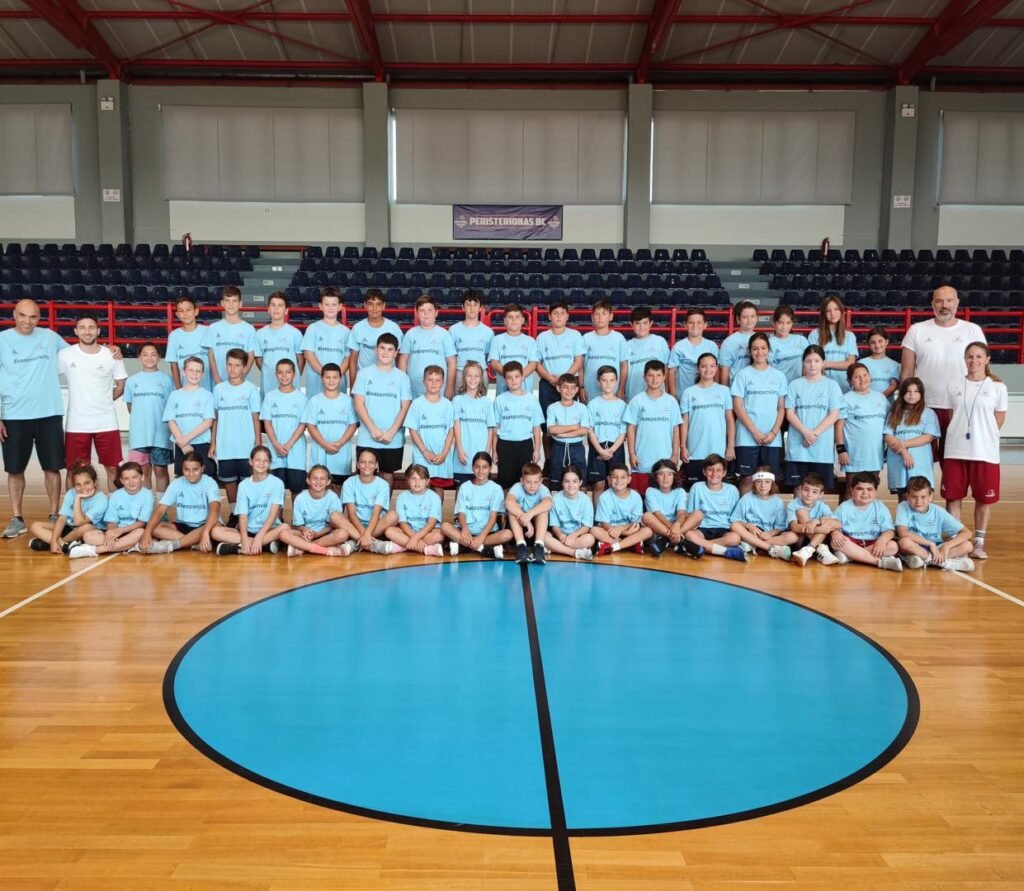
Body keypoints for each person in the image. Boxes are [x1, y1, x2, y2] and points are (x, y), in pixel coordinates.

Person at [0, 299, 71, 536]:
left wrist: (109, 349)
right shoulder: (2, 340)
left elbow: (79, 354)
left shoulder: (51, 337)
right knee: (14, 470)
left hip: (49, 413)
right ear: (14, 314)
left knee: (52, 468)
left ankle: (54, 515)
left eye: (33, 317)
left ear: (39, 318)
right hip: (13, 415)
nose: (27, 321)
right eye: (22, 315)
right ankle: (17, 518)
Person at [941, 341, 1008, 561]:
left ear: (987, 359)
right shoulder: (954, 385)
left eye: (979, 356)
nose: (974, 360)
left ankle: (979, 542)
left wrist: (983, 436)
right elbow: (952, 415)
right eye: (970, 356)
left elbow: (999, 418)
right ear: (965, 359)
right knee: (953, 498)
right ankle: (956, 541)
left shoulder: (997, 387)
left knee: (983, 499)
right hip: (955, 451)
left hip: (984, 452)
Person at [900, 285, 987, 450]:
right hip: (923, 405)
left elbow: (981, 370)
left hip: (961, 404)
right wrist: (904, 405)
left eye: (949, 301)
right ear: (932, 304)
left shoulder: (972, 331)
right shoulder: (916, 330)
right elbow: (906, 373)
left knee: (955, 456)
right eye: (939, 301)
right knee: (922, 455)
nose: (944, 305)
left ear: (957, 303)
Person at [58, 314, 128, 492]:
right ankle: (73, 507)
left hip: (106, 422)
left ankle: (116, 506)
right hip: (77, 424)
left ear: (98, 330)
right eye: (82, 327)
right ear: (76, 331)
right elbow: (45, 375)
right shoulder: (65, 355)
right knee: (74, 471)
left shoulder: (111, 354)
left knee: (113, 468)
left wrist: (104, 400)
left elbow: (121, 385)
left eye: (91, 327)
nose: (87, 331)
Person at [351, 332, 412, 489]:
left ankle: (383, 505)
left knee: (387, 475)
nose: (385, 352)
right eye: (382, 348)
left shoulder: (402, 377)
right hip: (367, 437)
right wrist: (373, 429)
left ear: (396, 353)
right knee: (364, 474)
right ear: (376, 350)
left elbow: (405, 407)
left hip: (392, 438)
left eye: (390, 349)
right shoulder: (363, 374)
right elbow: (358, 404)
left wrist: (391, 432)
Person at [730, 332, 787, 493]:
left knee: (769, 480)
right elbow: (738, 407)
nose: (759, 352)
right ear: (749, 351)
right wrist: (754, 432)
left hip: (772, 438)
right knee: (747, 479)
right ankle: (744, 510)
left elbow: (781, 408)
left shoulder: (779, 376)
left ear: (768, 350)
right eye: (755, 349)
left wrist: (774, 432)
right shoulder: (743, 375)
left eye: (763, 348)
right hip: (747, 437)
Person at [210, 347, 262, 518]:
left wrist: (258, 442)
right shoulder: (219, 389)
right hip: (225, 445)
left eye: (237, 365)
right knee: (229, 482)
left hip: (246, 445)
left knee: (248, 482)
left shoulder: (251, 389)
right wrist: (213, 442)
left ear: (244, 367)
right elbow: (216, 418)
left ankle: (247, 515)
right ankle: (234, 514)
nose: (232, 369)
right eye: (229, 365)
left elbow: (256, 419)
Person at [784, 345, 843, 491]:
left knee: (819, 490)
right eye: (808, 361)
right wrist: (806, 433)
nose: (812, 365)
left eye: (817, 361)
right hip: (798, 447)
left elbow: (834, 414)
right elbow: (790, 414)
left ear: (823, 363)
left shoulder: (832, 385)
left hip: (822, 449)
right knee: (799, 489)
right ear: (803, 363)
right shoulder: (794, 385)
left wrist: (813, 434)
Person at [211, 446, 289, 556]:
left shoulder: (277, 483)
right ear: (251, 461)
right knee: (216, 532)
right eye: (258, 460)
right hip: (248, 530)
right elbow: (243, 516)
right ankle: (263, 545)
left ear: (270, 463)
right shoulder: (243, 485)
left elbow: (273, 514)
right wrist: (244, 539)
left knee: (285, 528)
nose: (261, 463)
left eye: (265, 460)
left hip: (269, 529)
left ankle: (237, 548)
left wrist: (260, 536)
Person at [68, 462, 154, 558]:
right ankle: (127, 546)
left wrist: (120, 531)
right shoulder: (116, 495)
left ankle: (95, 550)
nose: (131, 481)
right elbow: (112, 522)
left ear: (142, 477)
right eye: (126, 478)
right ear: (121, 480)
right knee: (88, 536)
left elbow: (141, 523)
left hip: (133, 531)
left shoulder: (147, 495)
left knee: (141, 532)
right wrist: (112, 534)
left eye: (135, 477)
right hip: (117, 533)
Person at [141, 450, 221, 554]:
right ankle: (193, 542)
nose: (191, 473)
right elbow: (160, 510)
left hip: (204, 525)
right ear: (182, 469)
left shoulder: (210, 483)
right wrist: (147, 532)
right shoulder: (176, 483)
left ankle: (172, 546)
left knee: (215, 526)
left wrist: (205, 532)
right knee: (154, 528)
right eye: (186, 470)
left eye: (195, 469)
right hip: (183, 526)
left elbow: (215, 510)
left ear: (202, 468)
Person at [624, 359, 682, 495]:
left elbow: (676, 429)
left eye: (658, 375)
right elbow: (631, 429)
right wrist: (632, 454)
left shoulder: (671, 402)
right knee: (642, 496)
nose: (654, 379)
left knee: (663, 496)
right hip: (642, 458)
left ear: (664, 377)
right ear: (644, 377)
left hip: (665, 458)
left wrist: (675, 454)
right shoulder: (637, 401)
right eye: (650, 375)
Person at [123, 342, 174, 494]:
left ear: (159, 357)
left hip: (161, 434)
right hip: (139, 435)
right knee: (142, 471)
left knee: (160, 470)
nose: (149, 358)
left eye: (153, 354)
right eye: (145, 354)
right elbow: (130, 406)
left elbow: (171, 407)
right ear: (139, 357)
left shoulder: (167, 380)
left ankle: (161, 504)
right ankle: (146, 503)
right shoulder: (132, 381)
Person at [896, 475, 975, 572]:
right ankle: (945, 563)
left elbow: (967, 533)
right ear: (907, 497)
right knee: (904, 542)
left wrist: (947, 545)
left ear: (930, 497)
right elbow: (902, 533)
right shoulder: (903, 506)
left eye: (923, 497)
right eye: (914, 497)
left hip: (937, 546)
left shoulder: (938, 511)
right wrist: (930, 544)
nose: (918, 501)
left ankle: (927, 559)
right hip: (916, 545)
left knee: (968, 545)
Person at [441, 451, 511, 558]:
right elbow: (462, 513)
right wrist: (465, 530)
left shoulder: (496, 489)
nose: (481, 471)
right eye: (477, 467)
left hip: (487, 533)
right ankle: (482, 548)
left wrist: (481, 537)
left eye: (484, 467)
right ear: (472, 468)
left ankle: (464, 546)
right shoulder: (465, 487)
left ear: (490, 468)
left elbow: (493, 517)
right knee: (445, 526)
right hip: (466, 532)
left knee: (508, 534)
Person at [28, 461, 107, 554]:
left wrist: (78, 498)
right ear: (74, 485)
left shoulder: (102, 500)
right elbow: (62, 519)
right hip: (69, 528)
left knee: (86, 527)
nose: (83, 487)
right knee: (35, 526)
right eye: (78, 484)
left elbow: (79, 522)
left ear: (95, 482)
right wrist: (54, 541)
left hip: (88, 530)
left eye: (87, 483)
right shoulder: (71, 493)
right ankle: (64, 545)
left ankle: (52, 544)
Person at [680, 353, 734, 486]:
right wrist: (683, 446)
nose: (708, 369)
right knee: (694, 489)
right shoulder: (689, 392)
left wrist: (730, 446)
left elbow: (730, 420)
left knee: (717, 489)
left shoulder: (724, 391)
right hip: (695, 452)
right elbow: (684, 422)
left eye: (711, 366)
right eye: (704, 366)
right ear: (698, 368)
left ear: (716, 368)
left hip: (719, 451)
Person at [678, 453, 745, 562]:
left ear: (724, 473)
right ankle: (723, 551)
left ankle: (699, 547)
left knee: (735, 538)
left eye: (718, 470)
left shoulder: (732, 490)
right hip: (702, 528)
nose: (714, 473)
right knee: (689, 534)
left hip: (723, 528)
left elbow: (735, 517)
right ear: (704, 472)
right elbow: (691, 514)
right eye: (710, 470)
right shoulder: (697, 487)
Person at [830, 472, 902, 572]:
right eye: (859, 489)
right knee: (835, 543)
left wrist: (882, 540)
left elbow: (889, 531)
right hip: (852, 542)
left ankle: (851, 557)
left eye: (869, 489)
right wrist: (836, 533)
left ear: (875, 491)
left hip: (873, 543)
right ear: (852, 490)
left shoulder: (880, 507)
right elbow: (834, 525)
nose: (865, 493)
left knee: (893, 546)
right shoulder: (844, 507)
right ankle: (879, 562)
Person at [303, 363, 358, 493]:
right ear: (322, 378)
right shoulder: (314, 401)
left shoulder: (348, 401)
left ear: (341, 379)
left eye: (335, 377)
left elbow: (353, 425)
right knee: (319, 489)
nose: (331, 381)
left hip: (341, 455)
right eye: (327, 377)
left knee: (339, 491)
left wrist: (339, 443)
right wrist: (324, 444)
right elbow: (310, 426)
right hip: (320, 454)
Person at [260, 358, 308, 502]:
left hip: (296, 451)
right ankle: (277, 516)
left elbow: (303, 424)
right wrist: (276, 445)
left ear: (294, 374)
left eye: (288, 372)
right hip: (275, 450)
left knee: (296, 489)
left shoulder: (302, 398)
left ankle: (296, 516)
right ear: (276, 374)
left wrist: (288, 445)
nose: (284, 376)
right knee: (276, 491)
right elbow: (267, 423)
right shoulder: (270, 397)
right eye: (280, 372)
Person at [278, 465, 353, 557]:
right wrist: (304, 530)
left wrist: (317, 534)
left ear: (328, 482)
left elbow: (333, 525)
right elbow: (298, 525)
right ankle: (326, 550)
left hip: (325, 534)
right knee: (283, 534)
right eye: (314, 478)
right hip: (305, 535)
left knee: (343, 534)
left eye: (322, 478)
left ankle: (303, 548)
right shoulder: (300, 498)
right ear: (308, 480)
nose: (318, 481)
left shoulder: (333, 497)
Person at [883, 377, 939, 499]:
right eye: (908, 391)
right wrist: (904, 452)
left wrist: (903, 444)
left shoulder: (929, 413)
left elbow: (928, 437)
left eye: (916, 391)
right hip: (899, 461)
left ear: (921, 394)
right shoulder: (894, 413)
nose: (912, 395)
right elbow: (888, 436)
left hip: (920, 462)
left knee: (922, 496)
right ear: (902, 393)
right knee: (903, 498)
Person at [162, 356, 216, 478]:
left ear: (202, 374)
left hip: (201, 444)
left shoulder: (208, 396)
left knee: (203, 477)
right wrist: (183, 444)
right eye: (191, 370)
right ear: (183, 372)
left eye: (198, 371)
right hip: (181, 445)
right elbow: (171, 421)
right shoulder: (175, 395)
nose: (194, 374)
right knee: (183, 477)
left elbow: (208, 422)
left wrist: (185, 440)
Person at [493, 361, 543, 491]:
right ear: (505, 380)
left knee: (525, 482)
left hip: (525, 445)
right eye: (509, 377)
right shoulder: (499, 400)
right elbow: (495, 428)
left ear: (522, 377)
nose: (513, 380)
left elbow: (536, 428)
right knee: (505, 482)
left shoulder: (531, 399)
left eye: (516, 376)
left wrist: (537, 450)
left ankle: (521, 505)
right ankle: (506, 504)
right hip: (505, 445)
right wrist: (494, 451)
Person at [406, 366, 456, 494]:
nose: (433, 383)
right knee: (421, 488)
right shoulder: (417, 404)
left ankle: (437, 509)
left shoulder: (447, 405)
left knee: (439, 489)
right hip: (422, 456)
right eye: (430, 380)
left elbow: (451, 431)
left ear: (443, 382)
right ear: (424, 381)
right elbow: (412, 430)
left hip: (441, 456)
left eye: (437, 380)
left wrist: (444, 453)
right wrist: (425, 451)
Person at [729, 467, 799, 560]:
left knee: (793, 537)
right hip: (751, 533)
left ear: (772, 483)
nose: (763, 485)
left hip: (768, 535)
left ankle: (753, 545)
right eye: (759, 481)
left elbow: (781, 527)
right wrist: (749, 526)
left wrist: (770, 533)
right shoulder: (747, 498)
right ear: (754, 483)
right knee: (734, 526)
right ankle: (771, 548)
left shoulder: (778, 502)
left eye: (767, 482)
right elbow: (735, 520)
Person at [836, 362, 889, 479]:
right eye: (857, 377)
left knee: (872, 485)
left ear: (870, 377)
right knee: (852, 487)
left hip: (875, 454)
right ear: (849, 381)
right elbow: (839, 427)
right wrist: (841, 450)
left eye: (865, 375)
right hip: (854, 455)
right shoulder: (845, 399)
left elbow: (890, 421)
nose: (862, 379)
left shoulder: (881, 398)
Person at [379, 463, 445, 557]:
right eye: (413, 478)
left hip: (427, 532)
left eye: (421, 479)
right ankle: (426, 549)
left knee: (439, 536)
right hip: (408, 532)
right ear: (408, 480)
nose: (417, 482)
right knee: (389, 531)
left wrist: (416, 538)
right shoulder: (402, 497)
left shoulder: (434, 497)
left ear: (427, 481)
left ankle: (402, 546)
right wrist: (414, 538)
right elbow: (402, 523)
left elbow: (431, 523)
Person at [536, 301, 585, 424]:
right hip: (548, 383)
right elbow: (536, 363)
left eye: (562, 313)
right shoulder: (542, 337)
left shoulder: (575, 335)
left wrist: (564, 379)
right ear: (549, 316)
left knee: (569, 420)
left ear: (567, 316)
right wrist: (550, 378)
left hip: (569, 384)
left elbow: (578, 361)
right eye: (555, 313)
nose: (559, 316)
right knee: (547, 422)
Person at [398, 295, 457, 400]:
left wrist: (450, 387)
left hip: (438, 388)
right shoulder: (410, 334)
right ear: (417, 313)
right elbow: (403, 360)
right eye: (422, 310)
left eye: (430, 310)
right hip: (413, 388)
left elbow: (452, 362)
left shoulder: (444, 334)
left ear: (436, 312)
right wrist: (402, 385)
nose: (426, 314)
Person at [586, 365, 627, 506]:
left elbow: (623, 432)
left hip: (616, 447)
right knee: (598, 484)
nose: (608, 384)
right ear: (599, 382)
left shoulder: (622, 405)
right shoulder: (592, 404)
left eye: (611, 380)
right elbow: (589, 430)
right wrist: (600, 450)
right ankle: (597, 515)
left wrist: (612, 450)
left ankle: (613, 514)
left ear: (616, 382)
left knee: (616, 483)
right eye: (604, 380)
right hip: (598, 446)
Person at [592, 463, 653, 556]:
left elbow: (635, 523)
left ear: (629, 479)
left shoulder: (636, 496)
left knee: (648, 531)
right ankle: (631, 545)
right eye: (614, 477)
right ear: (609, 479)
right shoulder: (604, 497)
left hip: (630, 531)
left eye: (623, 477)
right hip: (610, 532)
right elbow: (604, 524)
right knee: (594, 530)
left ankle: (614, 546)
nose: (618, 480)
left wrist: (622, 529)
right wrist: (623, 532)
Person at [339, 449, 393, 552]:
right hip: (354, 525)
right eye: (363, 462)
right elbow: (351, 513)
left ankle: (355, 543)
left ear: (376, 465)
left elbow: (376, 513)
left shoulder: (383, 485)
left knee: (393, 516)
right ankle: (373, 544)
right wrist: (364, 534)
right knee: (335, 516)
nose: (367, 465)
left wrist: (367, 534)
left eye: (371, 462)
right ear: (358, 465)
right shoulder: (349, 483)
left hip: (375, 525)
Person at [452, 361, 495, 484]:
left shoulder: (487, 402)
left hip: (481, 454)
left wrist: (487, 451)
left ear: (481, 379)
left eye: (476, 376)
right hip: (463, 455)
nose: (473, 379)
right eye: (469, 376)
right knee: (461, 490)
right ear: (464, 378)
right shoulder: (457, 400)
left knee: (481, 489)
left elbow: (490, 429)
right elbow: (456, 427)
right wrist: (460, 449)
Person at [301, 287, 349, 398]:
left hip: (338, 385)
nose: (330, 308)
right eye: (327, 304)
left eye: (334, 304)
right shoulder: (312, 328)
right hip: (316, 386)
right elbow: (308, 355)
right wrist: (326, 375)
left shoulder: (346, 332)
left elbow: (348, 358)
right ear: (320, 306)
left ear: (340, 307)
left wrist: (335, 376)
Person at [786, 472, 842, 567]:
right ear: (801, 489)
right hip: (800, 541)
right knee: (801, 512)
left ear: (821, 494)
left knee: (826, 522)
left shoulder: (823, 506)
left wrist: (816, 521)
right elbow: (794, 527)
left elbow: (838, 523)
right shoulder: (793, 504)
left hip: (817, 539)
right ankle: (820, 549)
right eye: (806, 490)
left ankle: (808, 550)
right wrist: (819, 529)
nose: (809, 494)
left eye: (814, 492)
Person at [545, 373, 590, 493]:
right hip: (558, 448)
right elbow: (551, 430)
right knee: (556, 483)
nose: (569, 391)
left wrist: (562, 434)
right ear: (558, 388)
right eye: (565, 387)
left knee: (581, 482)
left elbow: (584, 430)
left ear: (576, 389)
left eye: (572, 388)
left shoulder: (582, 408)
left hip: (577, 448)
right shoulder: (552, 408)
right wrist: (575, 426)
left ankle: (581, 504)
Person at [347, 289, 402, 384]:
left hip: (388, 380)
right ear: (365, 305)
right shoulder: (358, 328)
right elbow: (353, 359)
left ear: (383, 306)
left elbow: (399, 357)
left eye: (378, 304)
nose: (374, 308)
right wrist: (353, 383)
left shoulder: (394, 328)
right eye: (370, 304)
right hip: (364, 380)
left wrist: (398, 381)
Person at [204, 286, 256, 385]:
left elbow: (251, 356)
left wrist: (242, 377)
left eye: (234, 301)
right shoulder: (213, 328)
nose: (231, 304)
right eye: (227, 300)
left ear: (240, 304)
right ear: (222, 303)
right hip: (219, 382)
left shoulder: (249, 329)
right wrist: (216, 379)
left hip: (242, 383)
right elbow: (211, 355)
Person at [255, 291, 304, 397]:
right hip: (268, 384)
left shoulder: (295, 333)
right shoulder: (260, 334)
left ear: (286, 310)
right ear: (268, 309)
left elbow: (300, 361)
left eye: (280, 305)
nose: (276, 309)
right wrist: (269, 372)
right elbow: (259, 361)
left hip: (291, 387)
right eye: (273, 305)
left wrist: (289, 376)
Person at [544, 464, 595, 561]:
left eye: (575, 481)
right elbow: (554, 525)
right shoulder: (555, 499)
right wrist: (561, 536)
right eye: (567, 481)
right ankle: (574, 552)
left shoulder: (586, 500)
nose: (571, 485)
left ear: (580, 482)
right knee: (544, 536)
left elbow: (586, 527)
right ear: (562, 483)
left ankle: (557, 548)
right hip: (560, 536)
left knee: (590, 539)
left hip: (577, 537)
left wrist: (573, 536)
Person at [580, 299, 628, 403]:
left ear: (611, 316)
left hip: (613, 392)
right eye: (597, 314)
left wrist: (621, 389)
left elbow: (624, 366)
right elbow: (580, 367)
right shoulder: (586, 338)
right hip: (589, 392)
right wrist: (581, 387)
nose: (600, 317)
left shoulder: (619, 338)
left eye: (604, 314)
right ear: (592, 317)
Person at [808, 294, 858, 393]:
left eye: (836, 309)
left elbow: (850, 364)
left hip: (844, 386)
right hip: (820, 386)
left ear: (841, 311)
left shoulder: (850, 336)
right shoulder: (814, 334)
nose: (832, 313)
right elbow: (811, 363)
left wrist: (826, 364)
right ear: (823, 313)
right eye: (828, 311)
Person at [505, 462, 553, 564]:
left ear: (541, 481)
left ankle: (539, 546)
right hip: (519, 531)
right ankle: (521, 546)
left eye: (536, 482)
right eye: (528, 482)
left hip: (537, 532)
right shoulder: (517, 487)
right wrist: (527, 522)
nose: (532, 486)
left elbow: (549, 503)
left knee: (542, 509)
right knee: (513, 509)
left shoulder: (543, 489)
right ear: (522, 480)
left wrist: (529, 515)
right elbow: (508, 502)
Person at [668, 307, 718, 399]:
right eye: (691, 322)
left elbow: (716, 371)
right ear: (685, 325)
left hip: (706, 395)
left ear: (705, 325)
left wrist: (716, 391)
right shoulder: (678, 347)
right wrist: (673, 395)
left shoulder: (712, 346)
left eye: (699, 322)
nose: (695, 326)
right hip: (682, 396)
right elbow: (672, 372)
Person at [449, 289, 494, 391]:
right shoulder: (453, 330)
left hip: (480, 372)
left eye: (475, 304)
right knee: (458, 400)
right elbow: (451, 357)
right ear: (463, 307)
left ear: (480, 307)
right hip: (460, 372)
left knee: (481, 400)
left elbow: (487, 355)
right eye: (468, 304)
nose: (472, 308)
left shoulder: (488, 332)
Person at [488, 303, 538, 396]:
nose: (514, 320)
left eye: (517, 317)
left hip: (525, 390)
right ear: (504, 321)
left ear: (522, 320)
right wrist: (510, 376)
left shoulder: (530, 341)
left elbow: (533, 364)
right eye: (510, 317)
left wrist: (519, 378)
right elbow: (494, 363)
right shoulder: (497, 340)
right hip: (503, 390)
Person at [641, 459, 688, 557]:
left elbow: (681, 513)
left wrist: (677, 525)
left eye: (669, 474)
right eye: (661, 474)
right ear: (655, 477)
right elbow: (657, 514)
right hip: (659, 528)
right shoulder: (651, 491)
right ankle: (679, 540)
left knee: (698, 514)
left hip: (677, 527)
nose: (665, 478)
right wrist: (672, 528)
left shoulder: (680, 491)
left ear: (674, 476)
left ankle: (666, 540)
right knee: (646, 516)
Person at [166, 295, 212, 391]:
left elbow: (215, 360)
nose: (185, 314)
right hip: (185, 390)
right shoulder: (174, 336)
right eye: (181, 311)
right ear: (177, 314)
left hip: (208, 389)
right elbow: (173, 364)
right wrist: (179, 389)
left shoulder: (208, 331)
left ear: (196, 311)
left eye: (188, 310)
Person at [625, 307, 670, 402]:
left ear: (651, 323)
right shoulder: (626, 346)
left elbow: (666, 369)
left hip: (658, 396)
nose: (641, 327)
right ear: (631, 324)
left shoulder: (659, 341)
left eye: (645, 323)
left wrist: (667, 392)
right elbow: (624, 372)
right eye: (637, 323)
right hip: (634, 395)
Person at [717, 300, 759, 387]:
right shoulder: (729, 342)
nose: (749, 320)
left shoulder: (761, 339)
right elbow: (725, 370)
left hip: (756, 388)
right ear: (738, 319)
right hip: (736, 388)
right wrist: (725, 392)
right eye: (745, 317)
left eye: (752, 316)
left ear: (757, 318)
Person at [767, 304, 809, 383]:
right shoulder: (769, 343)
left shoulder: (801, 340)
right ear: (773, 323)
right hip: (777, 386)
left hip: (798, 386)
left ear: (792, 323)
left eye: (788, 323)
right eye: (780, 323)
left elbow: (808, 364)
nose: (784, 326)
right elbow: (768, 370)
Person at [861, 326, 899, 400]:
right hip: (866, 401)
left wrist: (878, 399)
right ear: (868, 344)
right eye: (873, 342)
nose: (877, 345)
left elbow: (893, 386)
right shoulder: (862, 363)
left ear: (887, 342)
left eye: (880, 341)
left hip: (886, 404)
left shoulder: (894, 365)